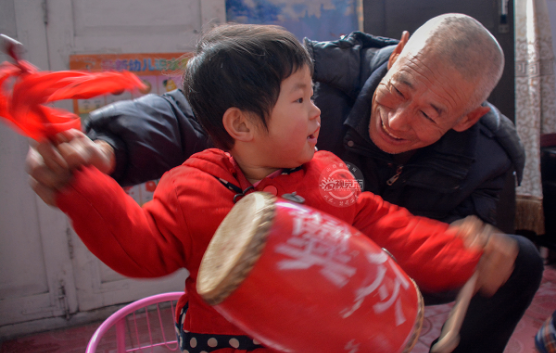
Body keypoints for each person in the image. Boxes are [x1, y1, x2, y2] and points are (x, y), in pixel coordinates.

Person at [26, 14, 543, 353]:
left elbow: (391, 228)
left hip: (323, 334)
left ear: (465, 117)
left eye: (430, 113)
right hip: (219, 342)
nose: (398, 119)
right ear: (241, 125)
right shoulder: (191, 186)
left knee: (520, 257)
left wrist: (466, 255)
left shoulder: (329, 176)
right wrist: (86, 180)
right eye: (301, 100)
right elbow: (141, 247)